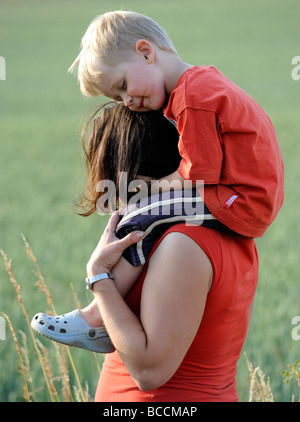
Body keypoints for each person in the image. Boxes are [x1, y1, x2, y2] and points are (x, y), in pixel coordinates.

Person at [33, 103, 258, 401]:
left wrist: (99, 278)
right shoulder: (212, 228)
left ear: (138, 175)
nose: (123, 202)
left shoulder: (182, 245)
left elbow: (149, 372)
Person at [68, 10, 284, 240]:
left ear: (145, 53)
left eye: (123, 84)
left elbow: (196, 174)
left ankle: (107, 276)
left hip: (240, 201)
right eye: (118, 99)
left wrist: (150, 188)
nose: (127, 101)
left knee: (137, 219)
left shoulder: (191, 98)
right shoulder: (201, 82)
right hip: (251, 197)